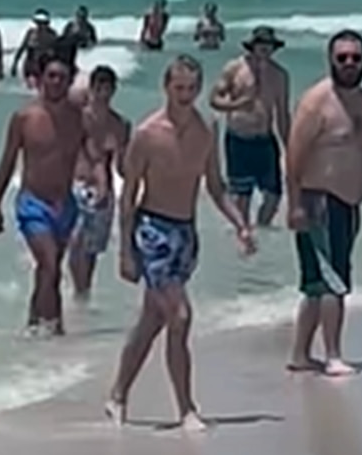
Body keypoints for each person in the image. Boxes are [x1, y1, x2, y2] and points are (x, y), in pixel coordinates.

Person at [106, 56, 256, 429]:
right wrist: (125, 251)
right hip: (152, 231)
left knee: (152, 321)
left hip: (185, 232)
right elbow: (127, 198)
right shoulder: (147, 134)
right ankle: (187, 409)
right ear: (166, 88)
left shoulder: (206, 131)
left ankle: (117, 395)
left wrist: (240, 224)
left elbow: (216, 187)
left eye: (191, 89)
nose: (185, 97)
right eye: (179, 89)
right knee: (181, 316)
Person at [285, 32, 362, 376]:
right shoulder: (316, 102)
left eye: (355, 58)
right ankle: (333, 354)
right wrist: (295, 205)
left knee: (319, 284)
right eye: (342, 57)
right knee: (334, 281)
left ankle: (300, 354)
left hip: (349, 203)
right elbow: (293, 158)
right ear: (330, 60)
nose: (349, 63)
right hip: (318, 200)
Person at [0, 51, 88, 335]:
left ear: (70, 80)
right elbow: (7, 160)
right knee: (49, 263)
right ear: (40, 79)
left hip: (65, 204)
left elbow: (97, 151)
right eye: (51, 76)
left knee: (50, 269)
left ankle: (36, 325)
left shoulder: (78, 117)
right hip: (33, 202)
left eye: (62, 77)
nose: (56, 82)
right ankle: (54, 327)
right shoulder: (24, 117)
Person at [208, 25, 291, 229]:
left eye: (269, 45)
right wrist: (237, 105)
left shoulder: (279, 75)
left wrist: (291, 148)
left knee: (273, 197)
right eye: (261, 44)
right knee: (241, 198)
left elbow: (282, 114)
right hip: (239, 140)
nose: (265, 49)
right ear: (252, 46)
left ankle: (262, 231)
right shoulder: (235, 68)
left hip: (265, 140)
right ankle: (244, 240)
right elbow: (214, 99)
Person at [68, 65, 131, 300]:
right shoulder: (78, 118)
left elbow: (122, 166)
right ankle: (77, 288)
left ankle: (84, 292)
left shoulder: (120, 124)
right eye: (99, 88)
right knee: (76, 241)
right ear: (92, 89)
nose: (103, 94)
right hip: (79, 184)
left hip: (105, 192)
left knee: (92, 249)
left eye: (108, 88)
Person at [11, 11, 58, 88]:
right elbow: (22, 48)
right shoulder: (31, 33)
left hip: (44, 66)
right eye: (39, 23)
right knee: (32, 89)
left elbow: (57, 52)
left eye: (43, 23)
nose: (40, 26)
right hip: (31, 66)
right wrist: (15, 64)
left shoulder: (52, 35)